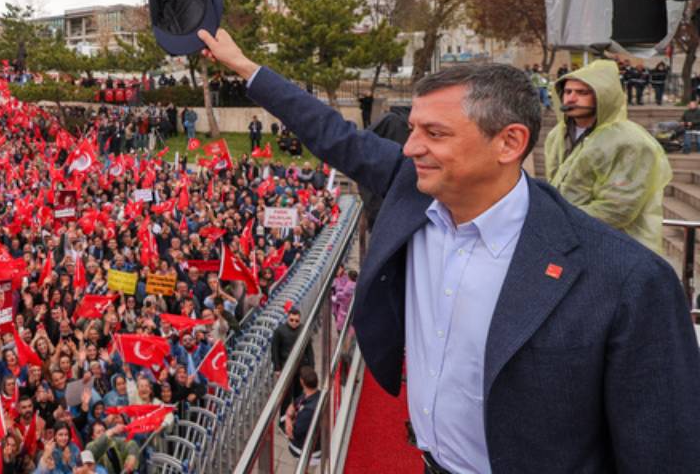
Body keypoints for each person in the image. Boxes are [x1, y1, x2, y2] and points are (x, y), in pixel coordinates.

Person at [197, 27, 700, 473]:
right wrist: (245, 68)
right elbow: (330, 132)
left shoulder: (628, 280)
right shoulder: (409, 187)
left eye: (434, 134)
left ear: (509, 143)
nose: (412, 147)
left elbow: (662, 451)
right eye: (413, 128)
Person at [545, 60, 672, 259]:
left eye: (582, 93)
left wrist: (558, 218)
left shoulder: (631, 141)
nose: (571, 98)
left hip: (617, 250)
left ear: (604, 96)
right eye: (568, 92)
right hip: (568, 245)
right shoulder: (557, 135)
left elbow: (618, 209)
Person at [282, 366, 320, 460]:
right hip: (311, 443)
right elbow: (294, 404)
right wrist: (289, 417)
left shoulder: (309, 410)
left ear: (302, 382)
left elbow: (292, 433)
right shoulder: (313, 393)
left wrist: (288, 419)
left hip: (306, 451)